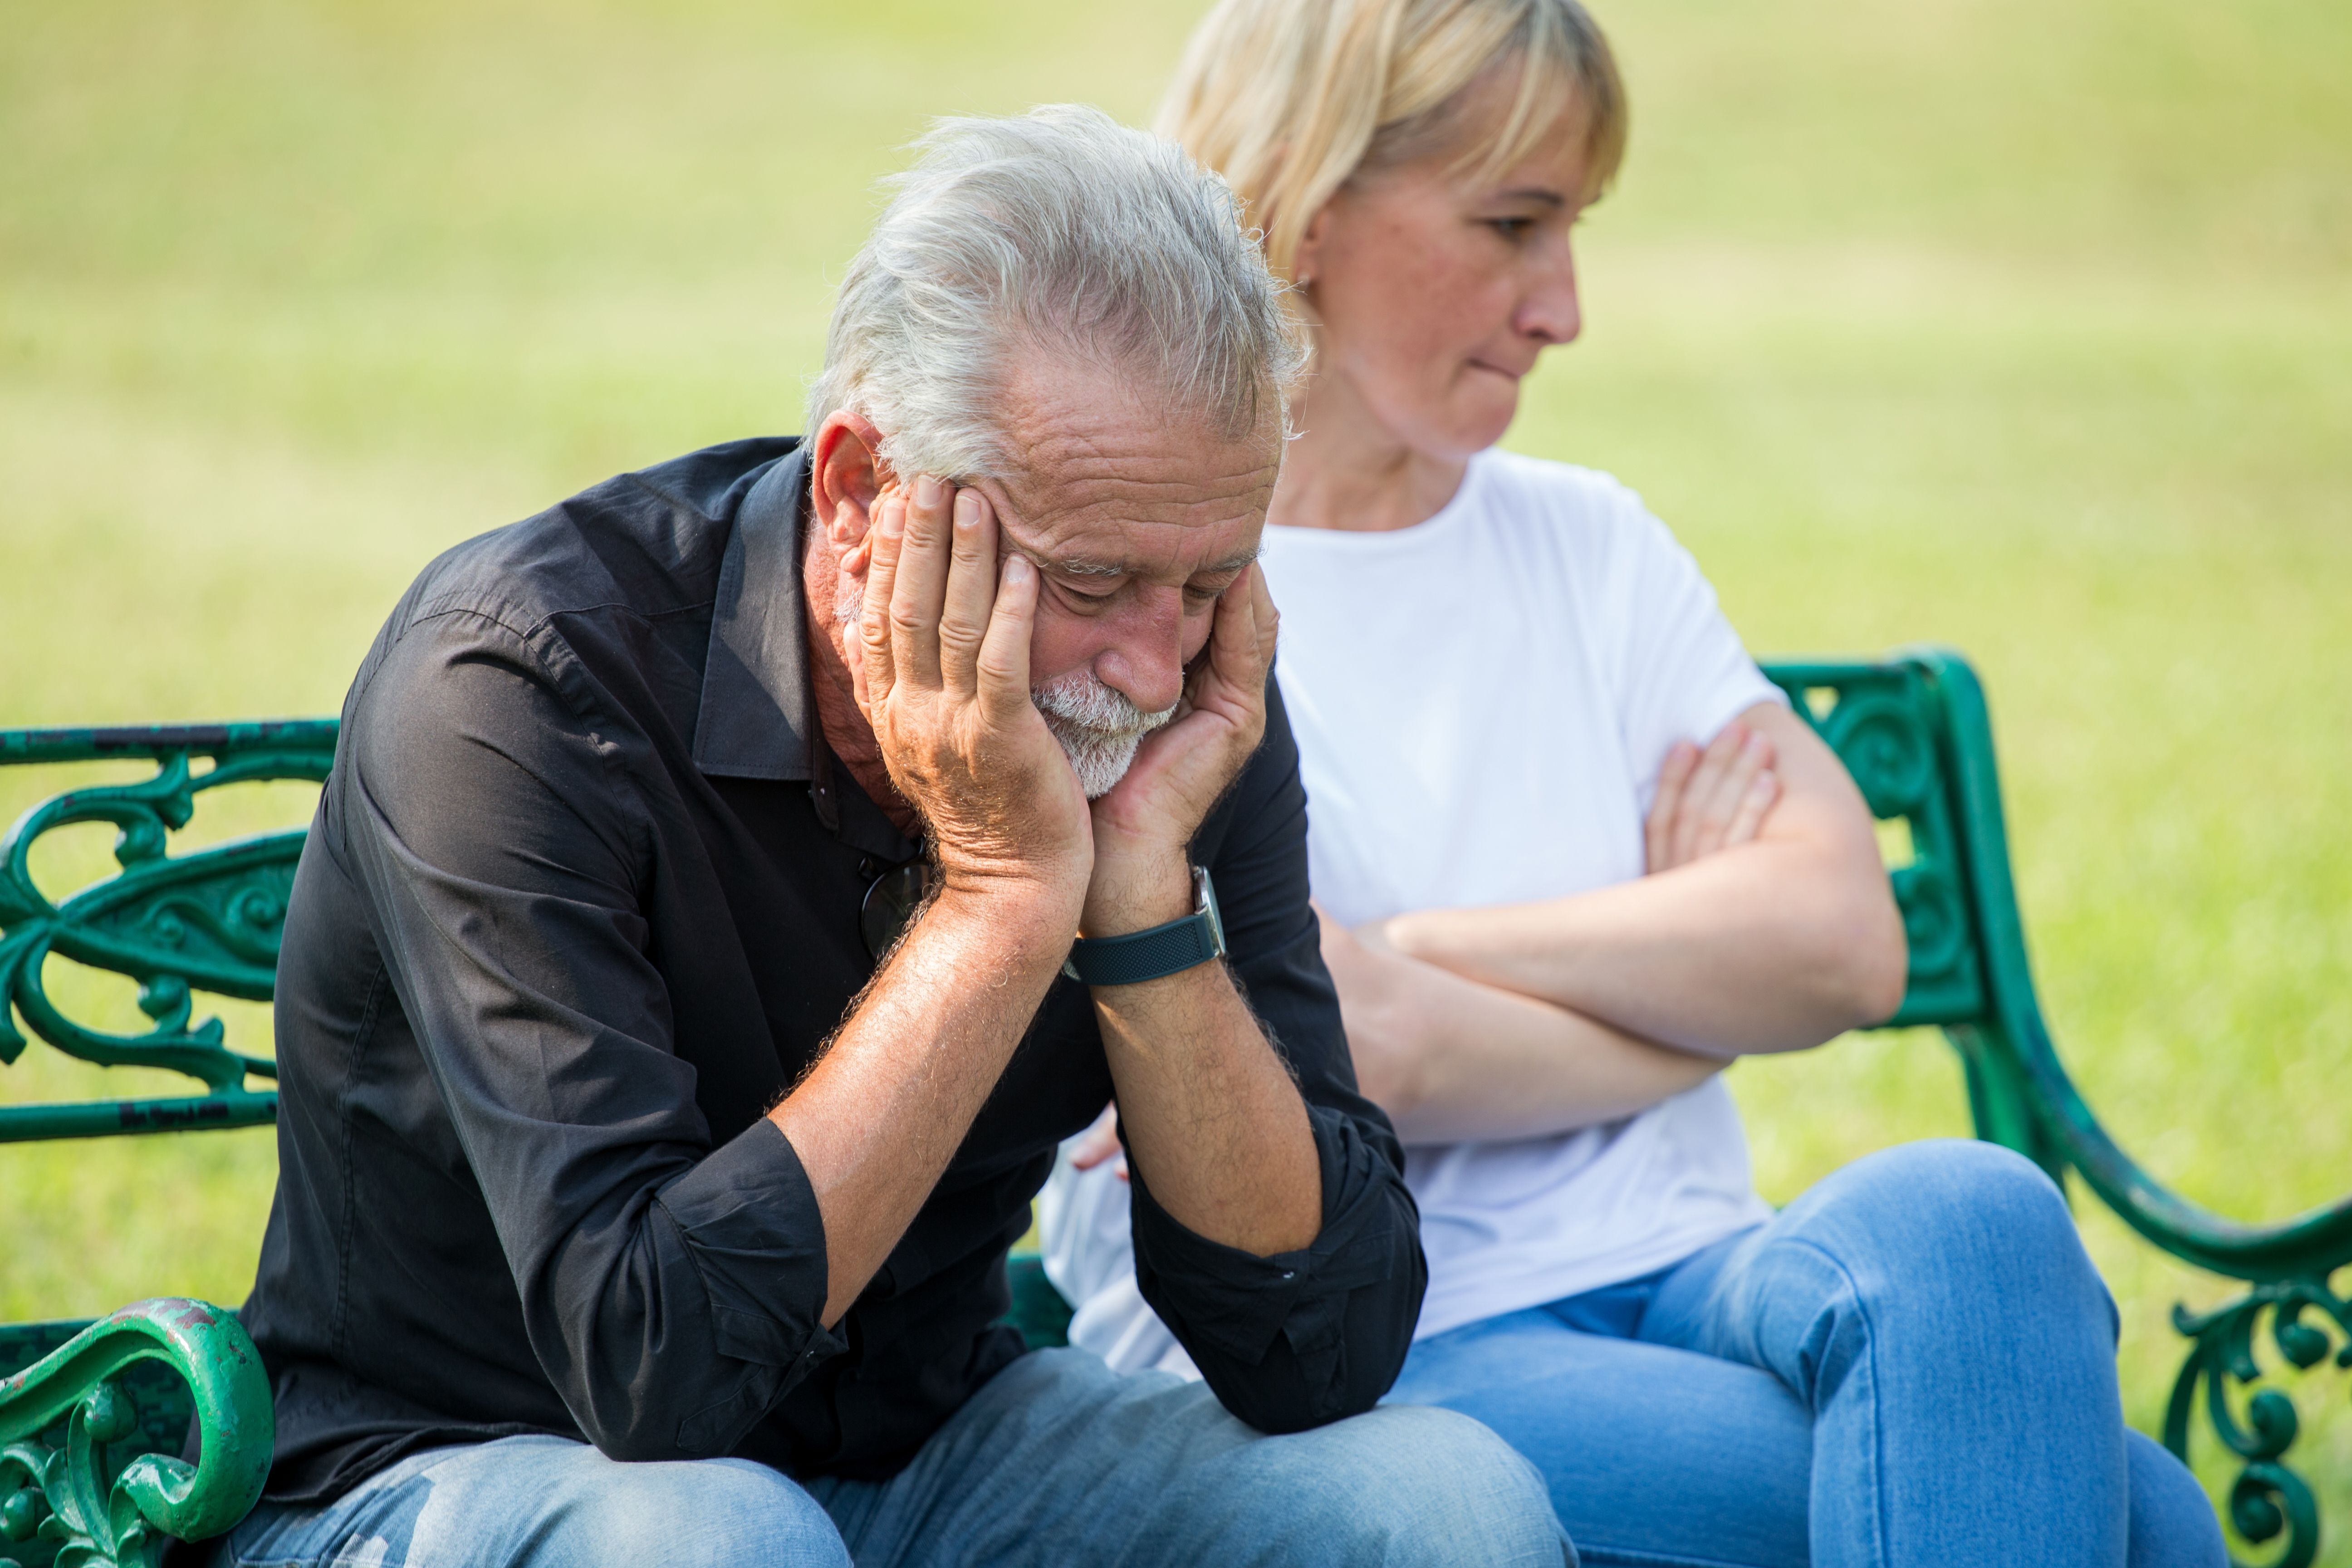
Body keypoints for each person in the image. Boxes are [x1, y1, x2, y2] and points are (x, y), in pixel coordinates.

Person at [213, 107, 1572, 1568]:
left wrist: (1142, 905)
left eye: (1210, 580)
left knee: (1440, 1505)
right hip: (450, 1471)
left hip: (927, 1449)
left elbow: (1324, 1350)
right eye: (1093, 575)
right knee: (717, 1541)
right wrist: (997, 907)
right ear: (864, 490)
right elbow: (652, 1372)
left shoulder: (1173, 702)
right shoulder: (518, 685)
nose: (1150, 667)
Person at [1037, 4, 2229, 1565]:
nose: (1566, 309)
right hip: (1370, 1348)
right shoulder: (1151, 591)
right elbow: (1349, 1055)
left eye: (1574, 231)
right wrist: (1685, 966)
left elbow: (1842, 944)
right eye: (1515, 225)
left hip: (1690, 1274)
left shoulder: (1590, 547)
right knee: (2138, 1514)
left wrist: (1427, 961)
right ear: (1309, 208)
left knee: (1974, 1209)